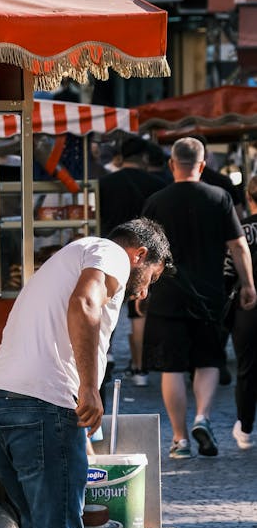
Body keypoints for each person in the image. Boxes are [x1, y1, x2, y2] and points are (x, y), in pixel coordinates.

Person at [0, 218, 172, 528]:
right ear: (141, 256)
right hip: (46, 406)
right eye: (150, 279)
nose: (143, 292)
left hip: (2, 402)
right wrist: (90, 387)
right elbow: (84, 305)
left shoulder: (71, 255)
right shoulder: (109, 254)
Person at [142, 137, 256, 459]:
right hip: (209, 293)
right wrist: (248, 284)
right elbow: (238, 246)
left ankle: (180, 439)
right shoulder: (219, 197)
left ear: (171, 164)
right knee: (208, 360)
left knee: (172, 368)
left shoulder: (155, 201)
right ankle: (203, 417)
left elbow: (145, 253)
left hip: (166, 294)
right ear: (203, 165)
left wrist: (143, 287)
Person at [99, 136, 165, 386]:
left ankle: (106, 354)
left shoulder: (104, 183)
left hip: (110, 248)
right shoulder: (156, 184)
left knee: (105, 303)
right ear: (145, 158)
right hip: (145, 251)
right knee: (139, 311)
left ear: (120, 157)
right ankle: (140, 370)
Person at [225, 173, 257, 451]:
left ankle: (245, 428)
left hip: (247, 306)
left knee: (247, 367)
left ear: (248, 198)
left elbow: (227, 269)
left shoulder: (241, 230)